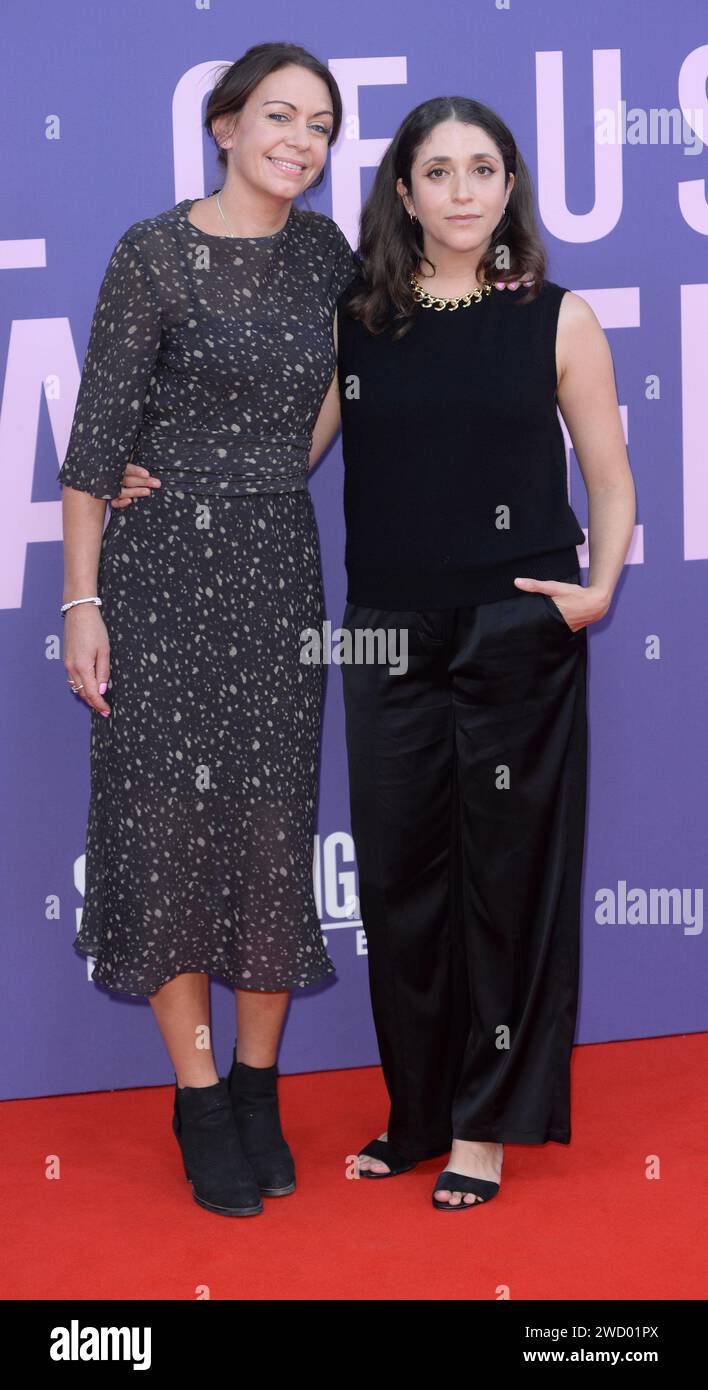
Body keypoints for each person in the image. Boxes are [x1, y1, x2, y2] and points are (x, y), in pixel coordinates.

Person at [58, 43, 358, 1218]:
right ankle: (196, 1100)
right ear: (225, 125)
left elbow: (345, 384)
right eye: (279, 115)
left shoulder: (326, 255)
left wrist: (279, 467)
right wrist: (82, 603)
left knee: (273, 831)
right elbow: (92, 454)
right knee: (172, 832)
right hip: (158, 574)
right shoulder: (152, 252)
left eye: (322, 125)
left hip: (278, 570)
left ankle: (257, 1085)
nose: (300, 139)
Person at [336, 97, 635, 1209]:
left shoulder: (559, 318)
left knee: (506, 881)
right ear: (403, 192)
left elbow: (609, 475)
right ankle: (418, 1110)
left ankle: (484, 1126)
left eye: (483, 169)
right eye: (438, 171)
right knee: (402, 879)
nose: (462, 191)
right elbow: (280, 447)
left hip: (516, 630)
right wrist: (157, 478)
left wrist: (595, 590)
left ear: (508, 188)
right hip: (382, 631)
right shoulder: (355, 321)